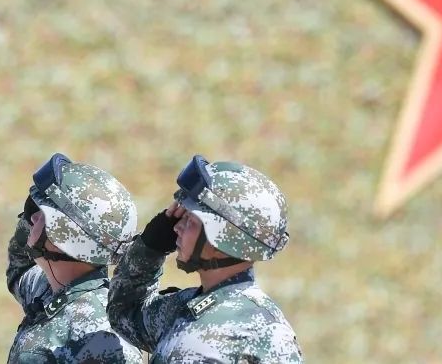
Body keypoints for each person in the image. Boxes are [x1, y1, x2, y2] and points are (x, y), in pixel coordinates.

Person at [107, 156, 303, 363]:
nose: (176, 227)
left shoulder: (265, 332)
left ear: (223, 240)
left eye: (190, 221)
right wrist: (150, 248)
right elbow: (124, 312)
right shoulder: (182, 309)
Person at [6, 153, 143, 363]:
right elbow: (19, 269)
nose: (32, 217)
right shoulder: (49, 287)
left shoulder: (104, 338)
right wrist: (32, 222)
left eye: (42, 214)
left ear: (64, 237)